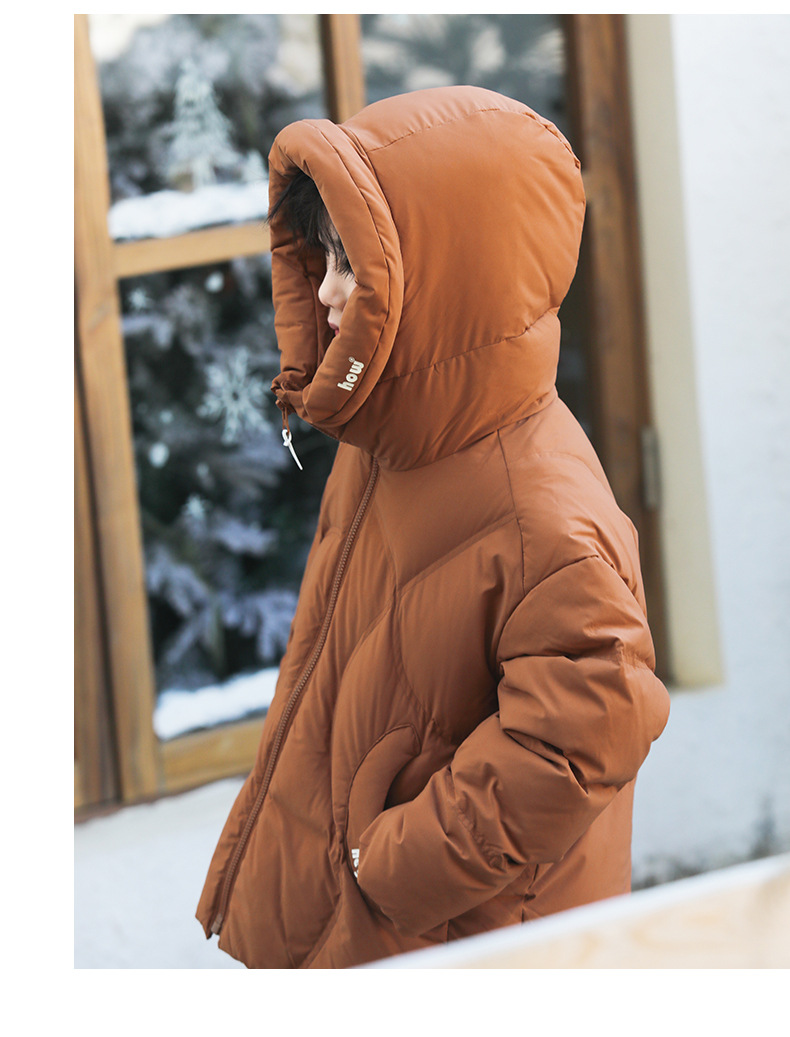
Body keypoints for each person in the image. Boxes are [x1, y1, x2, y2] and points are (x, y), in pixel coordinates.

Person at [196, 85, 670, 970]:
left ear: (451, 283)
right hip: (374, 936)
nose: (327, 291)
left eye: (354, 265)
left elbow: (590, 725)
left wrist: (391, 864)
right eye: (323, 258)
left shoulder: (538, 510)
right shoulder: (393, 442)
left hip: (461, 952)